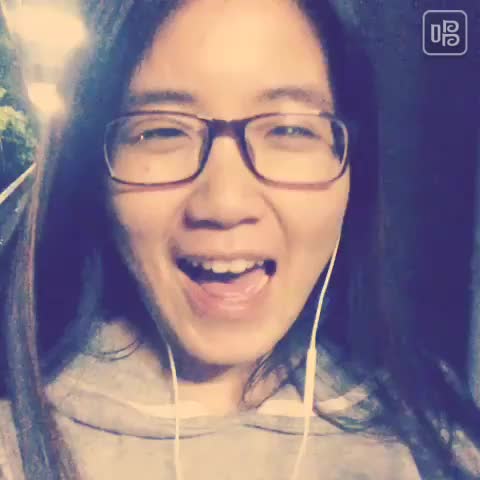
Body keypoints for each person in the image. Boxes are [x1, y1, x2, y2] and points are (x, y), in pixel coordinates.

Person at [1, 1, 479, 479]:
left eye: (289, 129)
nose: (225, 204)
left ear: (353, 168)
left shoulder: (436, 442)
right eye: (161, 131)